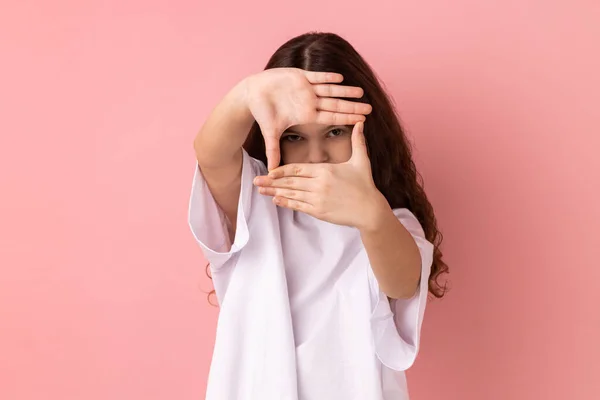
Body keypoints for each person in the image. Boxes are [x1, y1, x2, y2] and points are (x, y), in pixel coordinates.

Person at [188, 31, 448, 400]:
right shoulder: (257, 200)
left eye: (335, 132)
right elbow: (210, 155)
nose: (316, 157)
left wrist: (370, 213)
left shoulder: (389, 221)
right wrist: (248, 94)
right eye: (295, 137)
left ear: (367, 133)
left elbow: (403, 284)